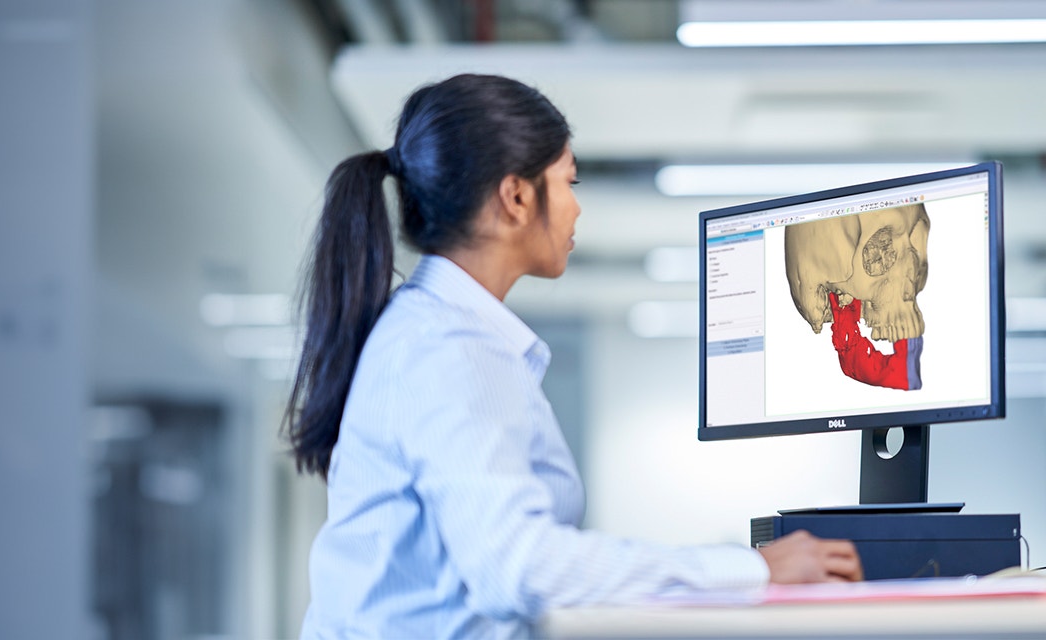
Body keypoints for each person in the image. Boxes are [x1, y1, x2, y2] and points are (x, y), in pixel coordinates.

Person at [286, 74, 863, 639]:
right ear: (515, 197)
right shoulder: (450, 345)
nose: (576, 209)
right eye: (569, 182)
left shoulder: (429, 330)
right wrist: (752, 571)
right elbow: (519, 568)